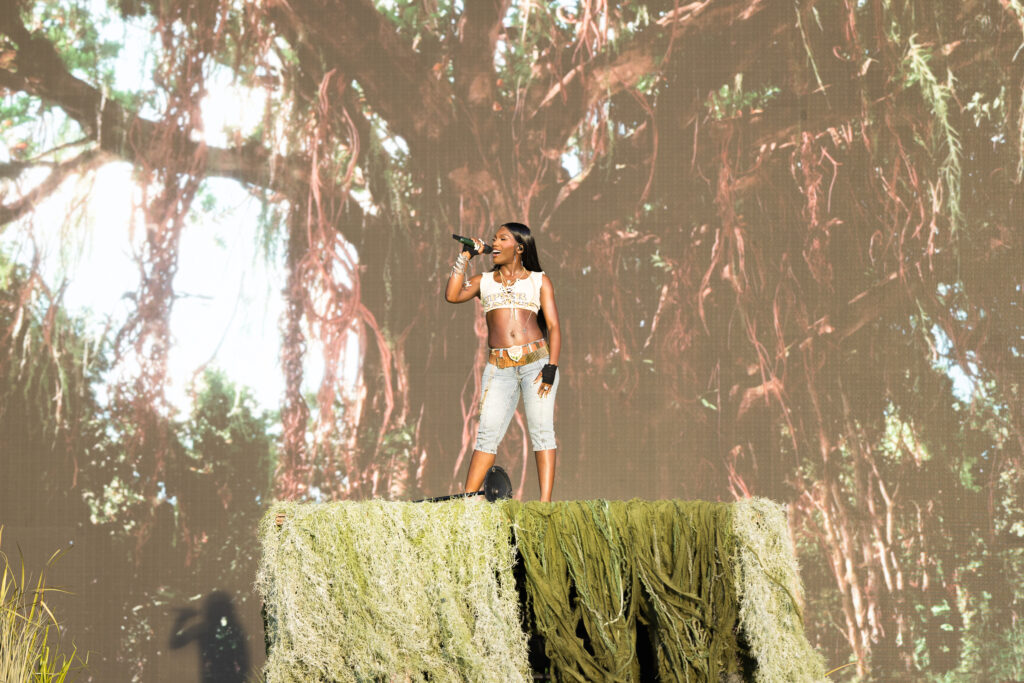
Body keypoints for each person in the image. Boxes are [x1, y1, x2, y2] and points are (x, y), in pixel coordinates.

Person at [444, 222, 561, 501]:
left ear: (519, 247)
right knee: (487, 435)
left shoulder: (539, 280)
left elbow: (554, 327)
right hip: (499, 367)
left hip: (536, 364)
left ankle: (545, 505)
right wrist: (466, 256)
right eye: (494, 239)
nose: (494, 243)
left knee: (542, 431)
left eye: (502, 239)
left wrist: (551, 367)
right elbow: (452, 295)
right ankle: (468, 504)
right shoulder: (484, 281)